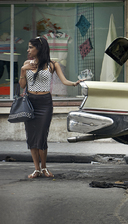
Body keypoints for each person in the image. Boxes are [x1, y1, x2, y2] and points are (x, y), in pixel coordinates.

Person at [19, 36, 82, 179]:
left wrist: (74, 84)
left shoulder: (53, 65)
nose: (28, 50)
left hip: (45, 103)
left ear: (39, 48)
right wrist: (23, 71)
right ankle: (36, 169)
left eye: (30, 47)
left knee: (42, 135)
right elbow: (22, 86)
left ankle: (44, 167)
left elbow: (64, 80)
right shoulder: (26, 64)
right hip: (30, 102)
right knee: (31, 136)